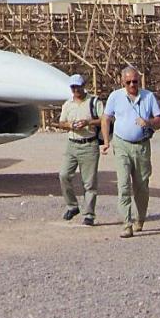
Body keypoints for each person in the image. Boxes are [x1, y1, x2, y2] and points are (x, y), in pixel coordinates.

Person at [100, 64, 160, 238]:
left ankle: (139, 218)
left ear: (139, 81)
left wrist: (149, 121)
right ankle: (126, 224)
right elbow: (106, 118)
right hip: (121, 144)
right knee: (123, 184)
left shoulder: (148, 96)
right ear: (122, 82)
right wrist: (106, 140)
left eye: (135, 82)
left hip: (142, 146)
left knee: (141, 186)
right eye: (128, 82)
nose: (131, 85)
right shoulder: (115, 97)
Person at [57, 74, 100, 226]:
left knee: (89, 182)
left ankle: (89, 214)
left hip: (89, 144)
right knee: (64, 175)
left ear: (83, 86)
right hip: (72, 143)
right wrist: (70, 125)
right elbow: (61, 122)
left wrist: (88, 122)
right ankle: (72, 205)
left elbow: (105, 119)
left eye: (78, 86)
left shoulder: (94, 101)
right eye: (73, 87)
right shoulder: (68, 104)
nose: (76, 90)